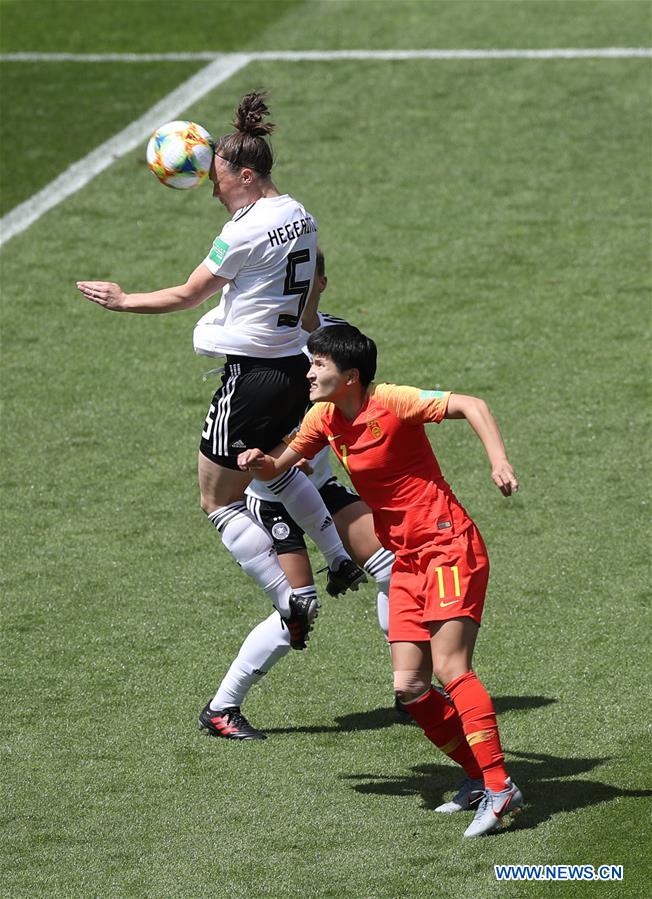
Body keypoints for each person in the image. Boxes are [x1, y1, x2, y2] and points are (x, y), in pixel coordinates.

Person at [76, 91, 365, 667]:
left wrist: (123, 299)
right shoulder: (301, 214)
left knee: (219, 499)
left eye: (219, 180)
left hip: (254, 377)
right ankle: (337, 555)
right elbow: (311, 288)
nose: (212, 189)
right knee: (274, 470)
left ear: (247, 174)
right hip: (296, 365)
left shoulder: (244, 231)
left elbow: (187, 294)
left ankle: (290, 599)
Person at [237, 324, 524, 839]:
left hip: (447, 546)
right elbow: (279, 466)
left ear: (350, 377)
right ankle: (479, 779)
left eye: (318, 366)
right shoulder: (324, 415)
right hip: (408, 560)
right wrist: (259, 463)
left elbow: (473, 405)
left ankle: (502, 789)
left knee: (452, 667)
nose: (308, 372)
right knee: (411, 687)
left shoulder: (393, 400)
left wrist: (498, 462)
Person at [199, 249, 394, 740]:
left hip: (319, 483)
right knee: (298, 610)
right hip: (274, 491)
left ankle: (410, 686)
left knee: (395, 570)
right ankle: (222, 708)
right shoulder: (260, 341)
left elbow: (354, 403)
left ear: (320, 282)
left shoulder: (336, 337)